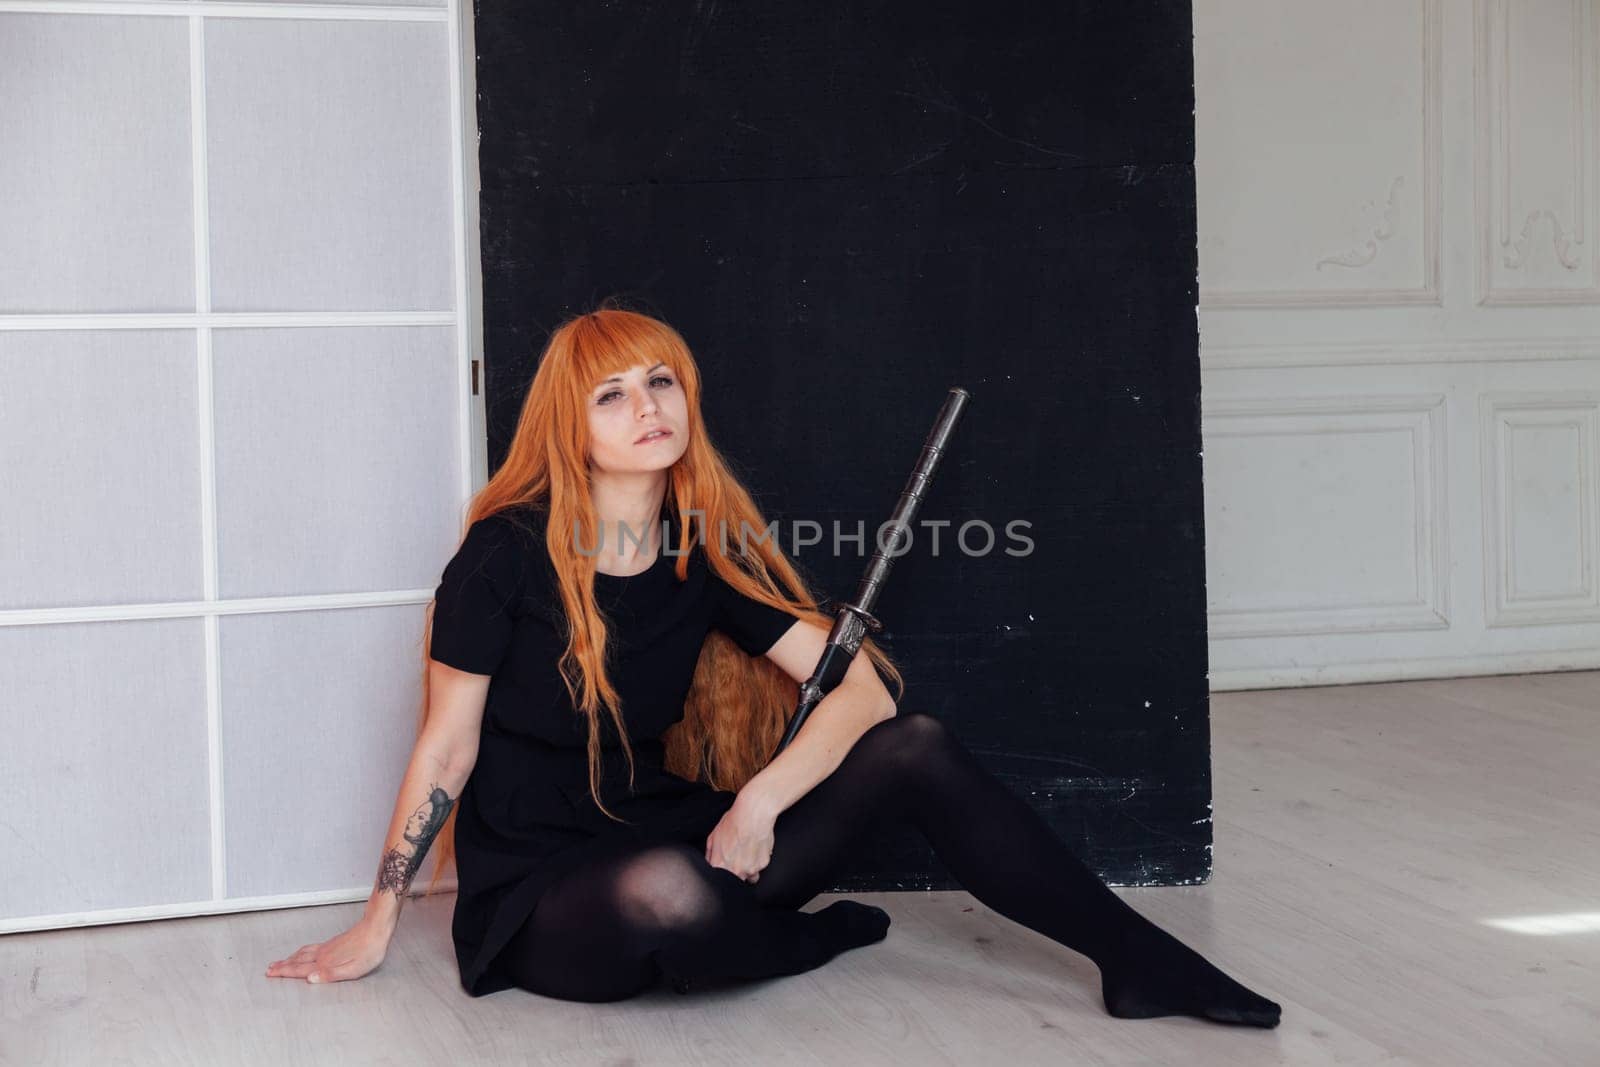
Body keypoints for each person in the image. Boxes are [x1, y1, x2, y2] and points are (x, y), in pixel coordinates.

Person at [265, 306, 1282, 1028]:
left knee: (913, 746)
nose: (645, 406)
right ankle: (802, 938)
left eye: (659, 380)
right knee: (671, 892)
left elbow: (868, 690)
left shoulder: (697, 551)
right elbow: (447, 743)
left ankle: (1140, 960)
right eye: (610, 395)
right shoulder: (502, 555)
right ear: (568, 429)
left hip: (669, 825)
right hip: (542, 889)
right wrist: (377, 916)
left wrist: (758, 802)